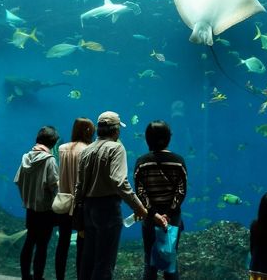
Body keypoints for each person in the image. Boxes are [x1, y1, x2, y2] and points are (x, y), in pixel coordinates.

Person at [76, 111, 152, 280]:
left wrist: (79, 211)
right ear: (116, 130)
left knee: (88, 260)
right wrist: (138, 207)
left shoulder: (87, 150)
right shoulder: (116, 148)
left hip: (88, 208)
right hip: (107, 209)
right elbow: (119, 182)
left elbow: (79, 186)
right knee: (104, 262)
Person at [133, 120, 187, 280]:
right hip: (172, 218)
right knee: (170, 262)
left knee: (150, 263)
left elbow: (140, 192)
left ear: (147, 139)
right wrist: (168, 214)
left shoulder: (142, 162)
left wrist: (153, 213)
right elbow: (181, 191)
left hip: (150, 218)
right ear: (168, 139)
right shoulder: (178, 162)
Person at [14, 125, 60, 280]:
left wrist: (28, 196)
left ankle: (25, 276)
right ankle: (38, 277)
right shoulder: (50, 161)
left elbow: (18, 180)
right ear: (53, 143)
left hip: (30, 208)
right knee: (42, 246)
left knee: (29, 241)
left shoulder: (26, 157)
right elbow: (55, 186)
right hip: (46, 210)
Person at [55, 117, 95, 280]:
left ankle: (59, 277)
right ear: (88, 131)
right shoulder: (89, 150)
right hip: (81, 204)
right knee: (82, 245)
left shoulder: (62, 148)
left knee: (62, 243)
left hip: (64, 201)